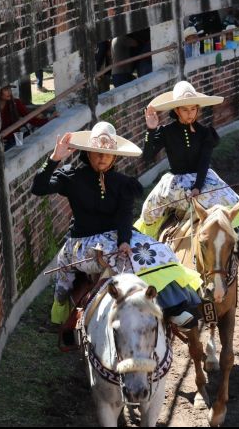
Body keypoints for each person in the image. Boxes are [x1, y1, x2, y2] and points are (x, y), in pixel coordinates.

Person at [31, 122, 203, 329]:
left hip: (118, 236)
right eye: (97, 152)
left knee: (157, 250)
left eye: (108, 153)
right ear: (88, 153)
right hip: (82, 243)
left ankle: (177, 306)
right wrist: (54, 159)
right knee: (122, 262)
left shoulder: (123, 183)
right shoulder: (71, 177)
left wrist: (124, 241)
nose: (102, 157)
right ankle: (60, 320)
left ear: (115, 156)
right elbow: (38, 188)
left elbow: (124, 215)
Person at [136, 81, 239, 271]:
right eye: (185, 109)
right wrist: (151, 129)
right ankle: (150, 252)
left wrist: (197, 186)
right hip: (174, 182)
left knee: (232, 201)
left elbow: (204, 161)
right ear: (176, 110)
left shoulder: (206, 133)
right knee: (149, 211)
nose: (190, 113)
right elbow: (147, 157)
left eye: (193, 109)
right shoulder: (165, 132)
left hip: (203, 179)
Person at [0, 85, 57, 150]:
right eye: (6, 90)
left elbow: (30, 118)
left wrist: (49, 119)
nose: (9, 92)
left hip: (14, 140)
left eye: (10, 89)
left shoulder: (15, 103)